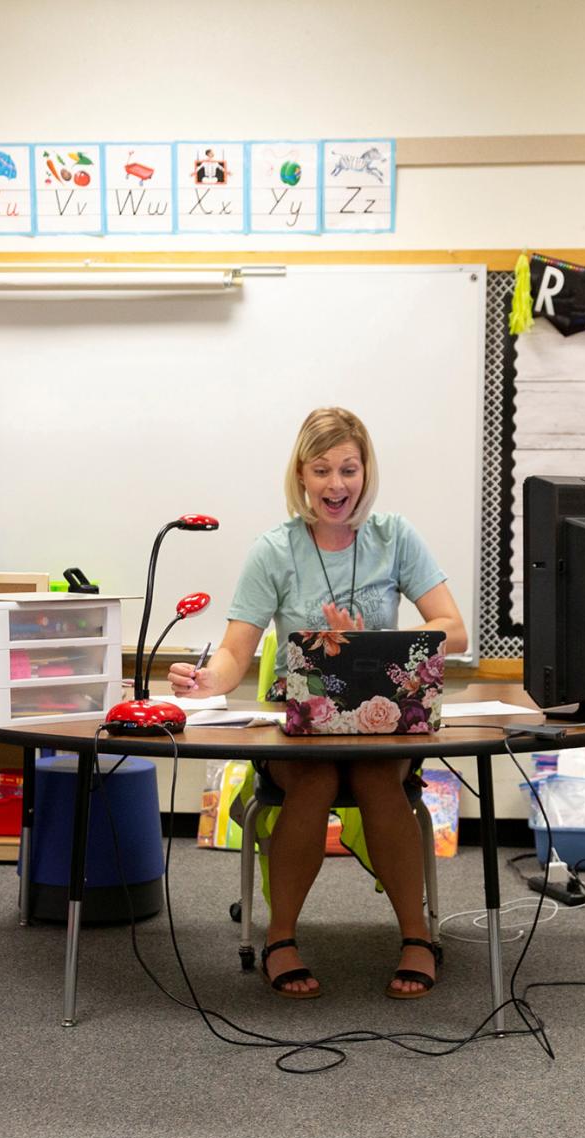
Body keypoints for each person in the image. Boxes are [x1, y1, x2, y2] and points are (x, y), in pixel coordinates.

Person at [166, 406, 469, 1001]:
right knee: (315, 779)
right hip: (300, 726)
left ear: (366, 472)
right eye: (323, 470)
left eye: (349, 470)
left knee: (382, 781)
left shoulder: (394, 537)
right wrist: (208, 681)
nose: (337, 485)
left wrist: (367, 644)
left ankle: (416, 938)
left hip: (379, 723)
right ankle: (280, 939)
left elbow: (453, 629)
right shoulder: (273, 551)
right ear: (300, 475)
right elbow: (234, 650)